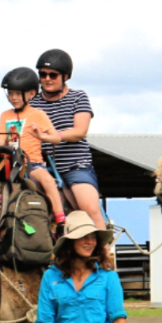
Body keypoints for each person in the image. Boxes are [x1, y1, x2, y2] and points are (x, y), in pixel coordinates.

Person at [25, 49, 105, 232]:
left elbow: (80, 131)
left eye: (53, 75)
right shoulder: (32, 102)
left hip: (74, 165)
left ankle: (104, 253)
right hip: (40, 168)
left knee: (90, 209)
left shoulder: (78, 97)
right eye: (43, 74)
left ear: (65, 76)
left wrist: (52, 137)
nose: (47, 79)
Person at [0, 67, 67, 227]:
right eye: (10, 93)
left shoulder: (38, 114)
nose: (13, 97)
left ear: (31, 94)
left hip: (32, 164)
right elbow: (1, 142)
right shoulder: (5, 115)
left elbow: (56, 138)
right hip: (7, 164)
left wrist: (41, 136)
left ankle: (60, 219)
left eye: (17, 93)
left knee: (48, 180)